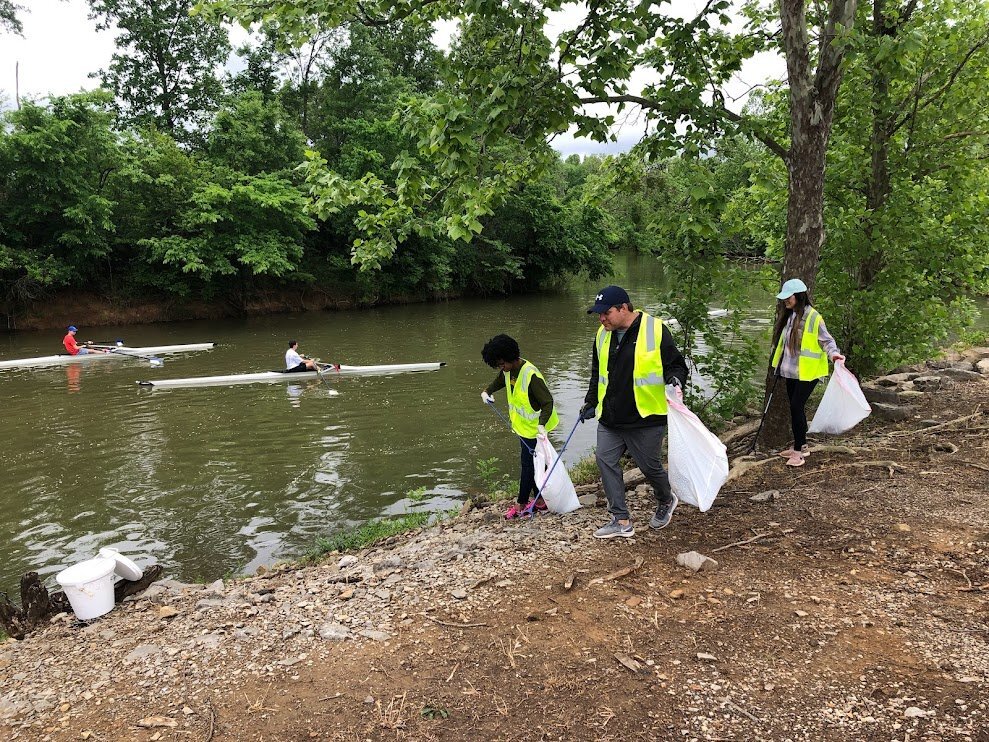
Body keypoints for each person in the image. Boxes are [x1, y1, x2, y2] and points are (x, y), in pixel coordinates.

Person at [581, 286, 689, 539]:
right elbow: (598, 373)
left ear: (624, 308)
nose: (601, 319)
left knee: (649, 467)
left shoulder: (655, 329)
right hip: (610, 416)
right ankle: (620, 520)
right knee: (605, 461)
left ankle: (665, 499)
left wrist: (674, 380)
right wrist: (590, 402)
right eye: (599, 314)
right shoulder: (602, 335)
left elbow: (676, 365)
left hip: (646, 416)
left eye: (606, 313)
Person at [481, 334, 559, 519]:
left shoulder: (530, 375)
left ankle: (521, 504)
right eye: (498, 365)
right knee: (535, 463)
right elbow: (500, 380)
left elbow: (548, 402)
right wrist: (487, 391)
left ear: (511, 357)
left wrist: (541, 426)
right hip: (523, 427)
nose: (501, 368)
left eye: (502, 364)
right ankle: (540, 501)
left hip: (537, 429)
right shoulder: (509, 370)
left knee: (528, 466)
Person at [770, 278, 844, 467]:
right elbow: (784, 344)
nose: (785, 301)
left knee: (796, 407)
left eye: (789, 297)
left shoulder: (813, 317)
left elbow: (827, 341)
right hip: (790, 371)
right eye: (784, 297)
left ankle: (798, 453)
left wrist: (834, 355)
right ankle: (801, 445)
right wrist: (777, 365)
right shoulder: (790, 315)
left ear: (799, 296)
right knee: (796, 409)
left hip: (808, 373)